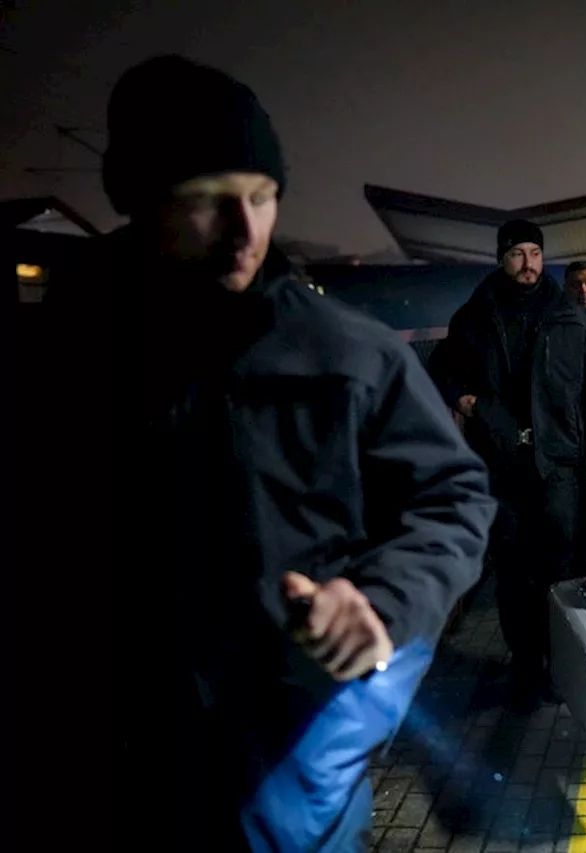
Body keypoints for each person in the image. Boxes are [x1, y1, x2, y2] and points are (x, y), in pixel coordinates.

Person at [41, 55, 497, 850]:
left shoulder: (349, 353)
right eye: (209, 202)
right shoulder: (62, 348)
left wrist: (382, 602)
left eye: (261, 197)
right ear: (138, 200)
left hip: (287, 736)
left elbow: (454, 496)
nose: (247, 231)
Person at [428, 221, 586, 710]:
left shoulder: (572, 319)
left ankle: (558, 664)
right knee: (512, 571)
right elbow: (440, 369)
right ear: (501, 259)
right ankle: (525, 666)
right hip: (501, 465)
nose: (528, 263)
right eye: (517, 254)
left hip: (558, 467)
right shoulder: (473, 317)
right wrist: (466, 401)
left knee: (557, 570)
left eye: (534, 252)